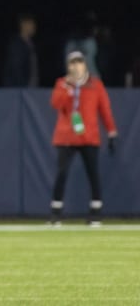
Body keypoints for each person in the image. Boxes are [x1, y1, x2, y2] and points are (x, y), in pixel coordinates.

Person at [49, 51, 118, 226]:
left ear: (85, 65)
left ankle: (95, 213)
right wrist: (69, 89)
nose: (76, 66)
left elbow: (104, 109)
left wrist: (111, 131)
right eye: (72, 63)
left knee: (93, 174)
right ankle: (56, 213)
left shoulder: (95, 85)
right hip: (67, 136)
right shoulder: (62, 84)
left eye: (79, 62)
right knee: (61, 173)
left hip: (88, 136)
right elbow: (56, 104)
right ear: (68, 66)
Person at [2, 13, 39, 87]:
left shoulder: (30, 44)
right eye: (31, 23)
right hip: (18, 90)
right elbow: (16, 70)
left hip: (30, 90)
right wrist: (22, 88)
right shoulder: (17, 45)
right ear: (23, 24)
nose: (34, 27)